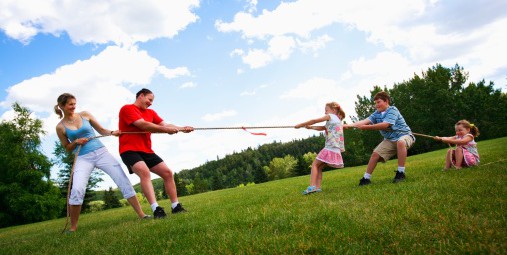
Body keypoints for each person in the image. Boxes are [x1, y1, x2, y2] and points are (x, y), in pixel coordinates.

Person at [55, 93, 149, 233]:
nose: (74, 106)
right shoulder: (60, 127)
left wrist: (112, 132)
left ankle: (142, 214)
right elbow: (67, 148)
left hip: (101, 152)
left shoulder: (85, 115)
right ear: (62, 106)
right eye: (70, 104)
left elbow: (101, 130)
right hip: (82, 158)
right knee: (77, 189)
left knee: (121, 179)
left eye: (74, 103)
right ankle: (73, 228)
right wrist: (75, 142)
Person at [119, 88, 194, 218]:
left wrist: (182, 128)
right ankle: (156, 209)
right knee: (144, 172)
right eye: (149, 99)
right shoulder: (127, 109)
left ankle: (175, 206)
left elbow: (166, 124)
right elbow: (143, 125)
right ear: (141, 96)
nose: (151, 103)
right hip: (129, 150)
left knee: (167, 173)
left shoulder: (151, 112)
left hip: (147, 150)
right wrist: (166, 130)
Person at [343, 91, 415, 186]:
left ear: (386, 101)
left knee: (401, 142)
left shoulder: (393, 110)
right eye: (375, 103)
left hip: (405, 136)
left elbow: (385, 125)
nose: (376, 105)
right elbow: (364, 121)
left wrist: (366, 127)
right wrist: (348, 125)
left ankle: (401, 173)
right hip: (390, 140)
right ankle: (366, 179)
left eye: (379, 102)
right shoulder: (376, 114)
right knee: (375, 155)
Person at [295, 102, 346, 194]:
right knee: (319, 167)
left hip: (330, 147)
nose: (325, 113)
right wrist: (311, 128)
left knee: (314, 164)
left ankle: (311, 187)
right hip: (335, 148)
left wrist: (300, 125)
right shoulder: (337, 119)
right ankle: (317, 187)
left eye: (326, 110)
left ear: (333, 110)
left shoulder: (330, 116)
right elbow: (323, 127)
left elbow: (314, 120)